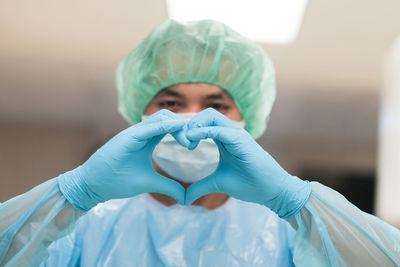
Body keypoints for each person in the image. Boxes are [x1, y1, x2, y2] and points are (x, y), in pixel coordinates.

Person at [1, 19, 399, 267]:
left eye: (216, 105)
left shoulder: (283, 232)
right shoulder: (87, 226)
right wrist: (74, 193)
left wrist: (295, 201)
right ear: (142, 114)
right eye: (171, 102)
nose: (192, 119)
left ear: (246, 121)